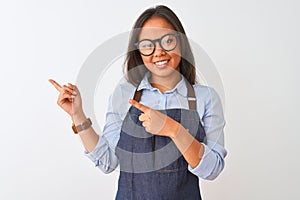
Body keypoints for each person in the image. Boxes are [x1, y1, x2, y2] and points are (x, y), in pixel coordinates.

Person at [49, 5, 227, 200]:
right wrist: (77, 115)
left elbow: (213, 170)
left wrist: (173, 130)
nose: (158, 52)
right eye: (147, 45)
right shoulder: (124, 94)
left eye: (168, 41)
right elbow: (108, 162)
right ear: (139, 51)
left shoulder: (205, 98)